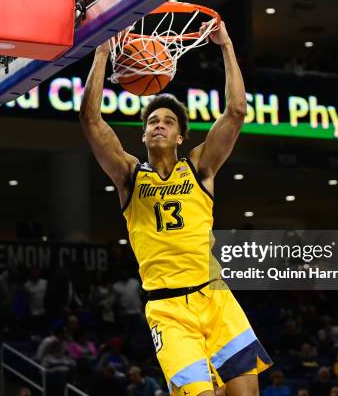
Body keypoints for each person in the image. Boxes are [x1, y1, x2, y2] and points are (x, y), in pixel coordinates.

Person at [80, 20, 272, 395]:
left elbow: (235, 113)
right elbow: (90, 121)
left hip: (215, 295)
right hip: (168, 310)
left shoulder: (200, 167)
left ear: (181, 136)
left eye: (168, 122)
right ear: (143, 134)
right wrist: (102, 51)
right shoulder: (130, 176)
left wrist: (227, 46)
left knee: (245, 392)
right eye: (152, 121)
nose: (159, 125)